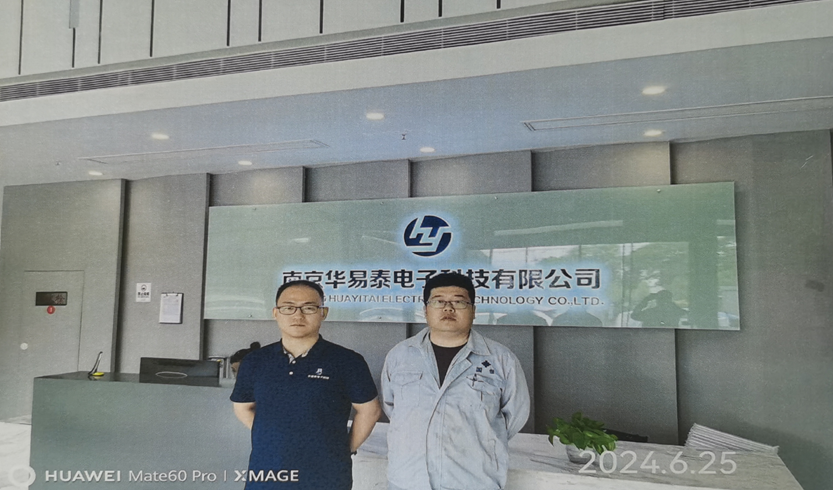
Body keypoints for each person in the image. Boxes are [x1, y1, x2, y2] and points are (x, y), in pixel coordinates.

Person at [382, 272, 530, 490]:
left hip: (473, 481)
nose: (448, 308)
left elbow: (515, 416)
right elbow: (392, 408)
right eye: (438, 301)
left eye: (459, 302)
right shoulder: (400, 355)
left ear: (473, 310)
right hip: (408, 480)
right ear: (425, 310)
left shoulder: (501, 360)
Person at [231, 280, 381, 489]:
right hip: (267, 472)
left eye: (309, 308)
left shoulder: (347, 360)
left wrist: (341, 449)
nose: (298, 315)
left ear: (323, 313)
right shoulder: (255, 361)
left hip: (326, 475)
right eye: (288, 307)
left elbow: (370, 411)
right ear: (275, 313)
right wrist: (275, 436)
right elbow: (242, 407)